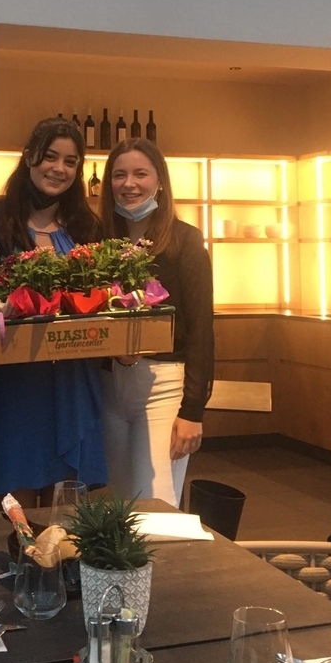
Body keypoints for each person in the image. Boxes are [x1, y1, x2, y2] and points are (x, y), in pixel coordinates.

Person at [0, 116, 108, 510]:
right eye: (50, 156)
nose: (59, 169)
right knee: (13, 506)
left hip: (74, 379)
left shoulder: (87, 226)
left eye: (70, 162)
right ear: (28, 157)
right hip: (13, 385)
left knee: (66, 512)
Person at [99, 138, 214, 507]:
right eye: (119, 175)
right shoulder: (100, 241)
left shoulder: (185, 240)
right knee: (118, 505)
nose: (129, 184)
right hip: (108, 387)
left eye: (140, 174)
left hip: (163, 387)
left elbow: (201, 330)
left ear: (160, 181)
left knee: (156, 505)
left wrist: (192, 412)